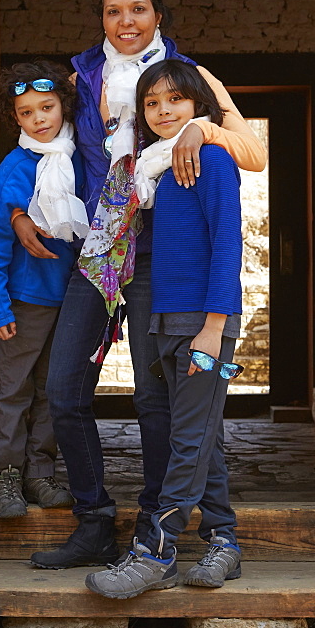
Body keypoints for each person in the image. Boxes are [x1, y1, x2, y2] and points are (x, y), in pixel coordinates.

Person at [12, 0, 266, 568]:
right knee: (63, 386)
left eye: (139, 10)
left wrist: (202, 124)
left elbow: (248, 147)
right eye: (113, 12)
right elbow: (42, 138)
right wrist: (19, 215)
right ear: (101, 19)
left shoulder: (186, 80)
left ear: (158, 15)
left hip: (160, 252)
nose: (126, 22)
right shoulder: (80, 77)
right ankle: (94, 518)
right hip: (98, 247)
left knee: (156, 399)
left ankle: (157, 526)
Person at [86, 60, 244, 598]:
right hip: (165, 319)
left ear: (197, 105)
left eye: (175, 100)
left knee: (187, 438)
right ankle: (225, 542)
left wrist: (214, 326)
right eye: (152, 103)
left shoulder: (212, 158)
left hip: (204, 323)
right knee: (202, 437)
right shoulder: (153, 170)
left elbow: (227, 245)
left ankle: (155, 552)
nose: (163, 111)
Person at [0, 60, 87, 518]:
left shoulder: (84, 159)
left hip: (76, 299)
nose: (39, 119)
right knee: (13, 387)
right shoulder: (14, 169)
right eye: (26, 113)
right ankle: (6, 475)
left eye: (47, 107)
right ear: (15, 119)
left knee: (53, 389)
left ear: (64, 106)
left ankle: (39, 473)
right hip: (26, 301)